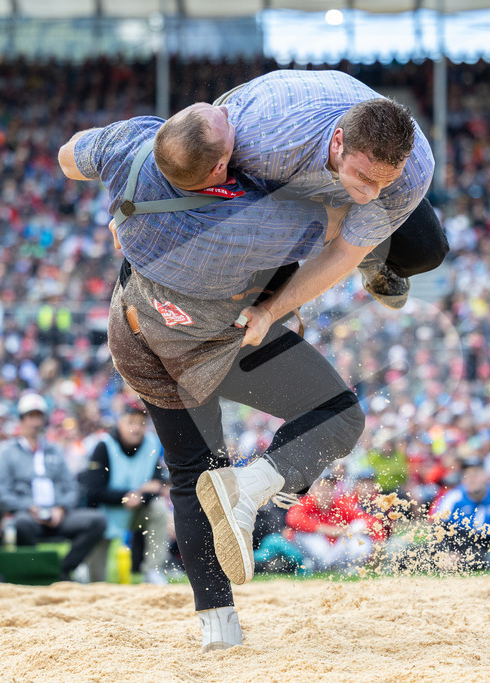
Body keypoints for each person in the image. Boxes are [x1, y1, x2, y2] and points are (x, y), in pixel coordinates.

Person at [59, 108, 365, 650]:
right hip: (215, 343)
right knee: (340, 415)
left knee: (192, 476)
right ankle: (253, 486)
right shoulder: (249, 222)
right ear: (223, 164)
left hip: (138, 335)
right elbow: (342, 233)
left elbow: (68, 156)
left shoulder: (133, 144)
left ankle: (218, 630)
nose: (235, 116)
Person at [174, 69, 446, 310]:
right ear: (338, 142)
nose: (372, 194)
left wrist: (269, 315)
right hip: (274, 154)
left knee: (426, 252)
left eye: (385, 181)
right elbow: (189, 156)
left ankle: (370, 255)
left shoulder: (417, 168)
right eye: (364, 177)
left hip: (320, 155)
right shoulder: (258, 143)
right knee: (266, 269)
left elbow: (345, 253)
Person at [0, 393, 108, 581]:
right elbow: (2, 494)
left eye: (38, 416)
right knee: (22, 524)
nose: (35, 422)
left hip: (58, 515)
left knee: (97, 521)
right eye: (31, 416)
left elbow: (71, 487)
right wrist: (30, 507)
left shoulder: (54, 450)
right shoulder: (6, 452)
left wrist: (60, 508)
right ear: (21, 420)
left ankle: (61, 569)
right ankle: (33, 571)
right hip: (29, 515)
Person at [79, 403, 171, 585]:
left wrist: (138, 497)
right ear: (120, 423)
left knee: (159, 509)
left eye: (141, 423)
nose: (136, 428)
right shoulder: (103, 446)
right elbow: (93, 490)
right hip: (103, 515)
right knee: (95, 580)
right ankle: (84, 566)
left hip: (136, 511)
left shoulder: (152, 444)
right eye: (131, 422)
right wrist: (128, 495)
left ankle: (153, 570)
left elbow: (158, 484)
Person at [429, 456, 490, 573]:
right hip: (454, 544)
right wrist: (445, 553)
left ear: (485, 476)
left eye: (476, 474)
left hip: (481, 546)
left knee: (488, 560)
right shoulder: (452, 497)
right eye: (467, 476)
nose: (471, 479)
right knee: (416, 554)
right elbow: (437, 528)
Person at [285, 473, 385, 571]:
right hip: (313, 551)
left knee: (359, 526)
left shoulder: (339, 505)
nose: (325, 491)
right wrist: (323, 529)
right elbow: (293, 519)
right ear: (313, 489)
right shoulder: (306, 503)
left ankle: (341, 567)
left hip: (336, 550)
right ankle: (314, 565)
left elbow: (370, 521)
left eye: (329, 487)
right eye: (322, 487)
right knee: (308, 537)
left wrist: (378, 540)